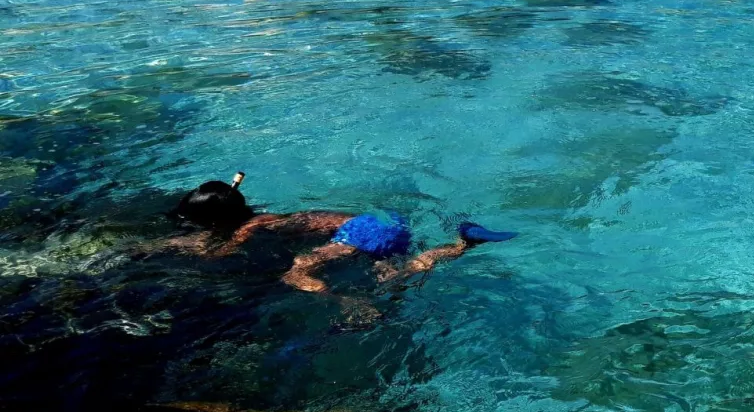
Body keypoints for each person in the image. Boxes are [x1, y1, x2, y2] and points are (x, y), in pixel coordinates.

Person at [169, 172, 514, 295]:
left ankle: (342, 301)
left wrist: (195, 247)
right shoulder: (265, 216)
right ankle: (464, 241)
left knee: (296, 272)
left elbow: (220, 253)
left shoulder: (252, 226)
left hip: (360, 230)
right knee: (398, 265)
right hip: (383, 221)